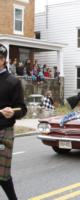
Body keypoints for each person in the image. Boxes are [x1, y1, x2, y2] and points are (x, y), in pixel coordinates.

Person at [0, 44, 27, 200]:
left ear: (3, 60)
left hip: (4, 132)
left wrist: (13, 113)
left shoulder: (13, 82)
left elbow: (22, 109)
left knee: (2, 175)